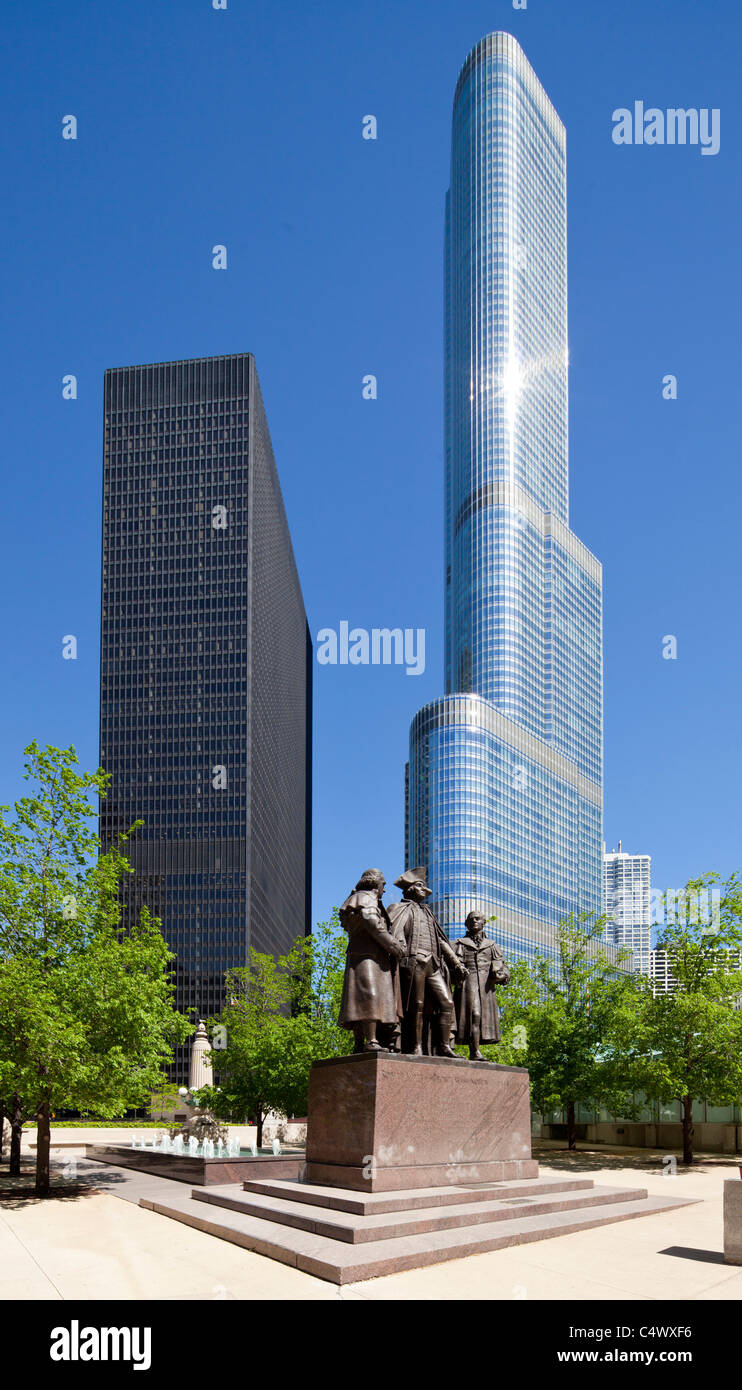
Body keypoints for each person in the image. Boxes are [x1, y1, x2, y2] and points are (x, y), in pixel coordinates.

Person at [387, 867, 467, 1058]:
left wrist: (456, 963)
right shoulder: (398, 909)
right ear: (411, 888)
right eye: (422, 887)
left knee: (446, 1003)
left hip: (433, 964)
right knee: (417, 1005)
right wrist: (404, 953)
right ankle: (416, 1047)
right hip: (413, 962)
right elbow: (394, 935)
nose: (426, 891)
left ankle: (443, 1046)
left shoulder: (428, 913)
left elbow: (441, 941)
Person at [337, 868, 405, 1052]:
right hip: (367, 955)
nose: (385, 888)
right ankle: (371, 1041)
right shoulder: (365, 898)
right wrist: (394, 945)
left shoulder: (358, 899)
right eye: (383, 884)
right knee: (369, 996)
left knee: (358, 998)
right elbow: (373, 925)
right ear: (376, 884)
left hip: (368, 955)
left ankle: (360, 1043)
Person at [453, 911, 510, 1060]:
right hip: (467, 985)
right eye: (471, 920)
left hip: (486, 987)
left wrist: (502, 975)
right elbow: (450, 965)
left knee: (480, 1017)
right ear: (466, 924)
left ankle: (475, 1050)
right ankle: (474, 1051)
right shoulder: (459, 943)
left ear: (484, 923)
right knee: (474, 1015)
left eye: (478, 919)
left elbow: (504, 967)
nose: (474, 922)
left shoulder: (492, 945)